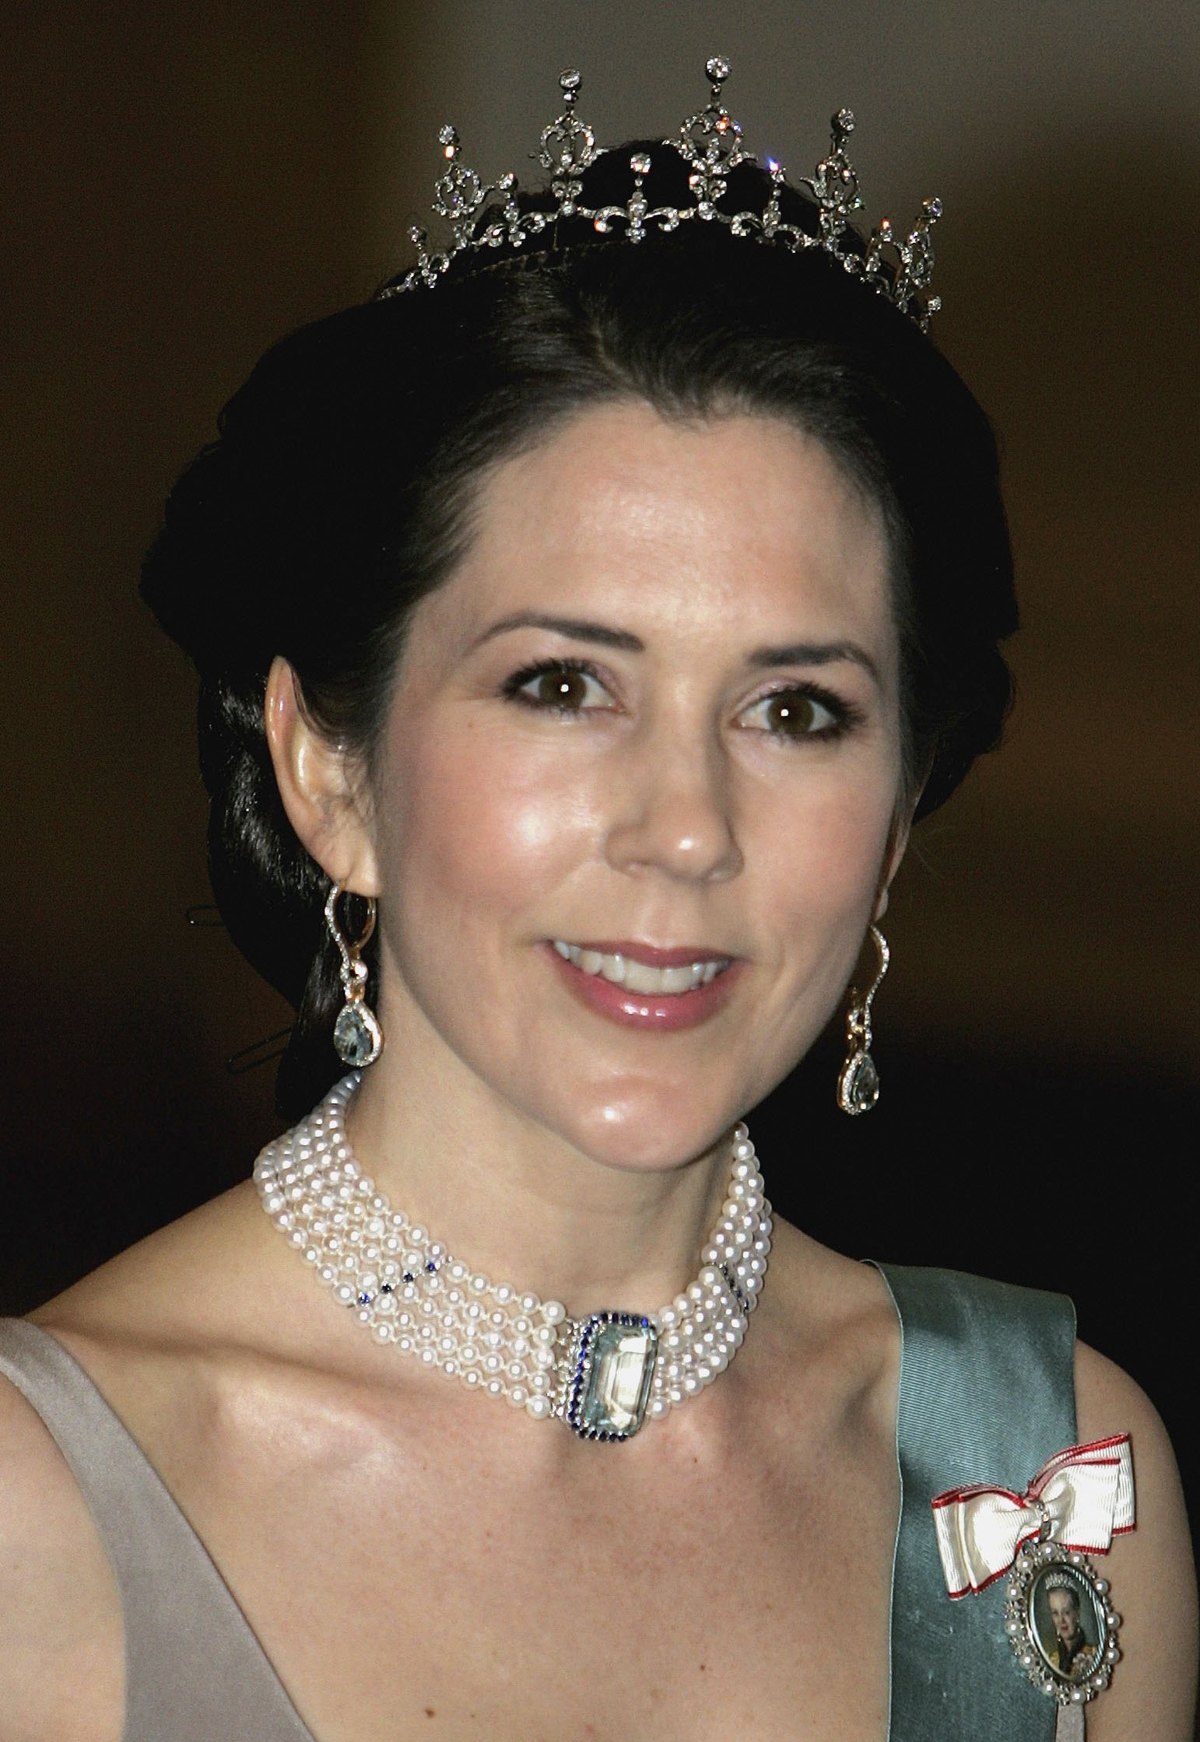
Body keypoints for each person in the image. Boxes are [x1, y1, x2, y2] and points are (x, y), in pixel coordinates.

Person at [0, 62, 1195, 1742]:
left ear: (900, 813)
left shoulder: (1045, 1469)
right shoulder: (41, 1508)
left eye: (797, 712)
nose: (686, 829)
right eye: (563, 683)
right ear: (328, 769)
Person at [1043, 1579, 1099, 1681]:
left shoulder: (1094, 1654)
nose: (1061, 1620)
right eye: (1055, 1613)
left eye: (1066, 1612)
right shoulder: (1051, 1660)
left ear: (1077, 1613)